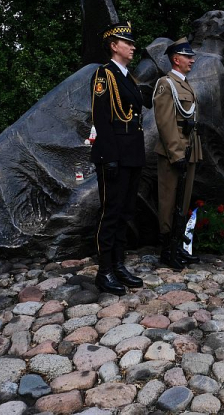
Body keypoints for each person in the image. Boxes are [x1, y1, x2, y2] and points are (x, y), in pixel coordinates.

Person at [90, 21, 151, 295]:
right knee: (111, 213)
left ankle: (118, 264)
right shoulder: (105, 75)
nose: (133, 46)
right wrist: (108, 157)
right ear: (114, 46)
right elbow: (102, 119)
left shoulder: (127, 77)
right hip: (114, 154)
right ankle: (104, 271)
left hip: (132, 153)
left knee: (126, 212)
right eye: (128, 42)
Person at [154, 38, 202, 270]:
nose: (192, 60)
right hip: (174, 150)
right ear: (176, 59)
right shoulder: (166, 83)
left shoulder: (185, 84)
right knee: (169, 200)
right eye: (188, 56)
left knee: (183, 201)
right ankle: (167, 249)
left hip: (189, 148)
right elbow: (165, 122)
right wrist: (176, 153)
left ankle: (178, 246)